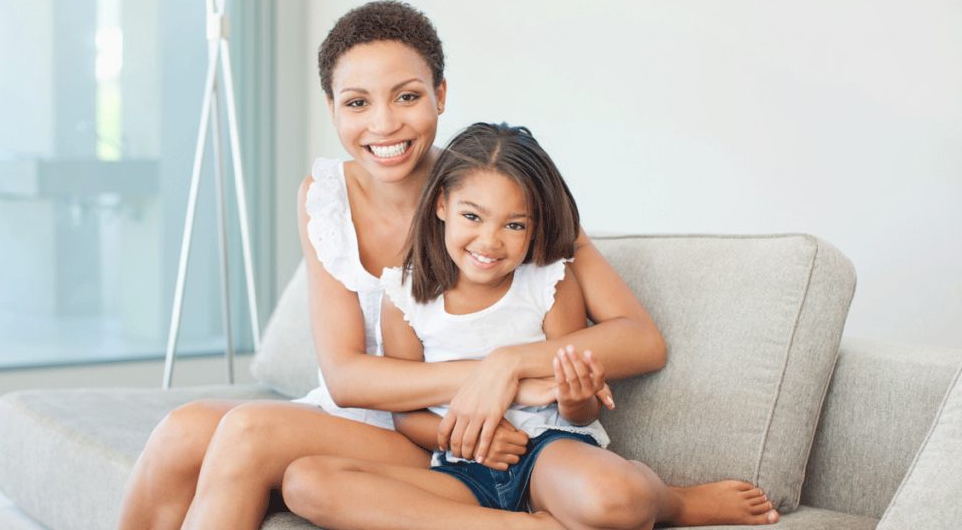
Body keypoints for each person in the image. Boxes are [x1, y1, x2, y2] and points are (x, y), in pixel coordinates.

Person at [115, 2, 776, 530]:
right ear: (333, 109)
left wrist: (506, 366)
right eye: (356, 103)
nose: (383, 124)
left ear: (439, 94)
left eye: (406, 96)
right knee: (179, 434)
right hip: (367, 413)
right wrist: (487, 378)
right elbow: (345, 376)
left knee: (249, 432)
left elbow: (639, 338)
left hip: (432, 430)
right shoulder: (324, 198)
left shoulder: (491, 192)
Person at [281, 122, 778, 530]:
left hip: (548, 452)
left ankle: (676, 504)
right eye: (472, 216)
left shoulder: (548, 283)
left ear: (535, 226)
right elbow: (407, 417)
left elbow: (577, 410)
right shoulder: (404, 298)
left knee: (618, 501)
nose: (490, 241)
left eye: (514, 225)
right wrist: (461, 440)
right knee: (305, 482)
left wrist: (576, 396)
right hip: (461, 470)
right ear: (440, 206)